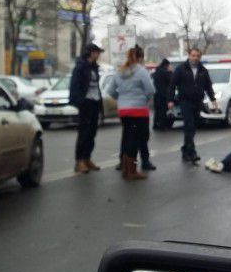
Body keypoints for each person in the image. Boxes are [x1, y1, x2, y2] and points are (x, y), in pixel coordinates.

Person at [107, 46, 155, 180]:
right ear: (140, 58)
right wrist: (144, 98)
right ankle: (131, 170)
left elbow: (110, 91)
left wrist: (122, 99)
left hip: (123, 110)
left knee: (127, 137)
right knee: (136, 139)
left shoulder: (119, 71)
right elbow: (150, 90)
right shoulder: (142, 71)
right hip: (138, 110)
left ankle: (125, 167)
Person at [167, 47, 217, 165]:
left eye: (197, 56)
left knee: (193, 127)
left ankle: (185, 149)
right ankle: (192, 152)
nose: (195, 58)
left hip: (197, 101)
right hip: (185, 101)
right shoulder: (181, 69)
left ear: (200, 57)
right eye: (193, 55)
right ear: (189, 56)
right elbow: (172, 85)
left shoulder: (203, 70)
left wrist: (213, 99)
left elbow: (208, 86)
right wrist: (170, 100)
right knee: (189, 125)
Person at [69, 42, 104, 174]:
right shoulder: (80, 68)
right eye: (96, 52)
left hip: (95, 102)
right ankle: (79, 161)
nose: (98, 54)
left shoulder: (94, 67)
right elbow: (75, 86)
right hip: (86, 103)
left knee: (92, 133)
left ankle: (87, 158)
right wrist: (80, 102)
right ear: (90, 52)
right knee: (84, 133)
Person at [151, 58, 173, 131]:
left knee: (157, 110)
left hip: (156, 93)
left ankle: (155, 124)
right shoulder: (164, 72)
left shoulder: (157, 71)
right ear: (166, 65)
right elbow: (171, 80)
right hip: (163, 94)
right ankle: (162, 126)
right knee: (163, 110)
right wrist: (170, 72)